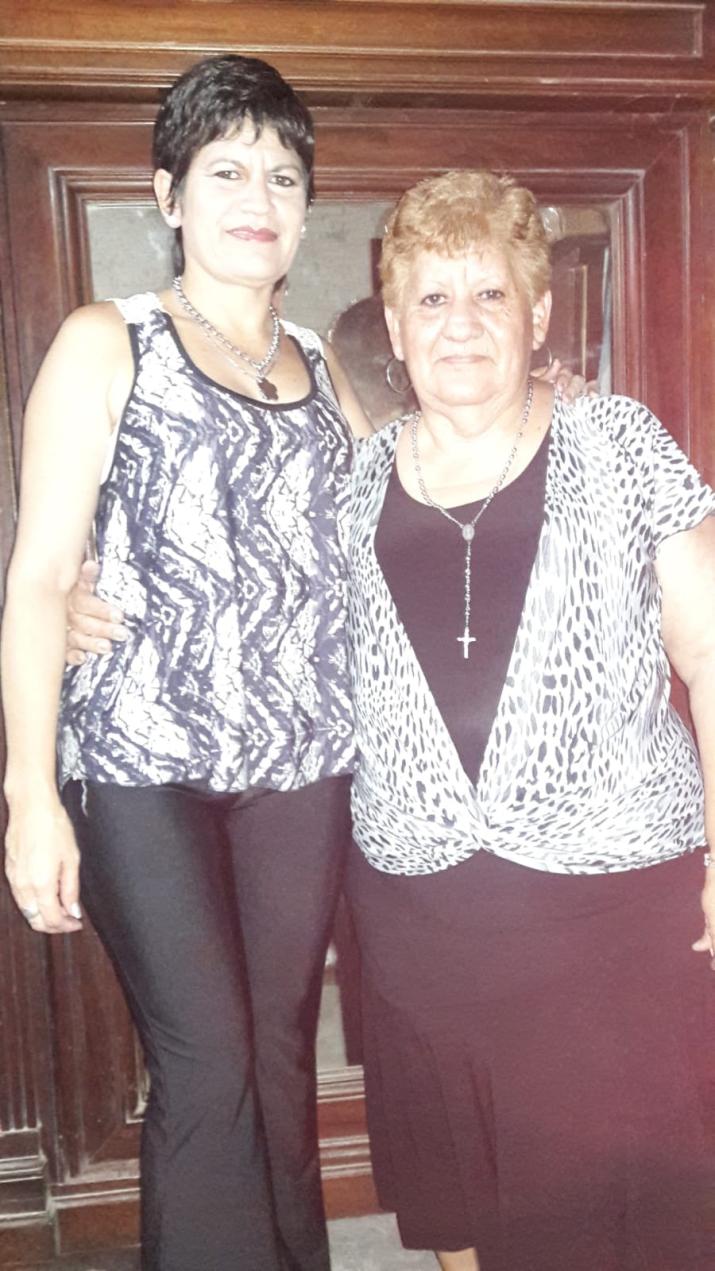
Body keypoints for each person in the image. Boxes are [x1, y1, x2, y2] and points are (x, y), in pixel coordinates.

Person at [1, 53, 372, 1271]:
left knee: (277, 1055)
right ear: (169, 195)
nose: (258, 197)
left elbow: (391, 535)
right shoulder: (109, 341)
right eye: (226, 171)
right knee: (208, 1059)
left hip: (302, 769)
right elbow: (40, 578)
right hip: (141, 767)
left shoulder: (324, 366)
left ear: (304, 206)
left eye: (282, 175)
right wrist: (31, 794)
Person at [342, 170, 715, 1271]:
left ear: (537, 313)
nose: (458, 323)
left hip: (611, 914)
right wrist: (73, 608)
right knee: (462, 1200)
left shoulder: (619, 444)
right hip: (419, 918)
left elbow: (707, 651)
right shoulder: (350, 484)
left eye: (489, 294)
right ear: (395, 327)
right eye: (431, 298)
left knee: (630, 1215)